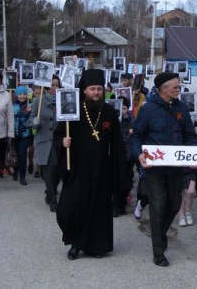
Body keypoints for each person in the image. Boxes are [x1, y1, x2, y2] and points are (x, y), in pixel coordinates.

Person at [54, 69, 131, 260]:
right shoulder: (74, 110)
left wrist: (120, 172)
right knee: (71, 207)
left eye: (99, 89)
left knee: (98, 208)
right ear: (84, 91)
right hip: (78, 168)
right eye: (92, 89)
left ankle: (96, 246)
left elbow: (117, 144)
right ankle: (75, 243)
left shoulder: (109, 112)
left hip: (101, 169)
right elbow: (58, 134)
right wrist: (63, 142)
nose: (96, 93)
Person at [130, 72, 197, 267]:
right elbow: (136, 137)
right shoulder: (147, 110)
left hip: (176, 168)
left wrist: (193, 155)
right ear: (164, 89)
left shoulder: (182, 108)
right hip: (154, 168)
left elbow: (189, 135)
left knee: (173, 205)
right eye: (176, 87)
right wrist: (139, 155)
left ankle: (159, 234)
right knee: (158, 205)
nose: (179, 90)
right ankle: (159, 251)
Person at [29, 76, 61, 211]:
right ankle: (53, 199)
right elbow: (30, 120)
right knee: (48, 171)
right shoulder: (38, 101)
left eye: (57, 85)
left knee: (57, 171)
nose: (55, 88)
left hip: (59, 141)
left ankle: (50, 191)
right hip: (44, 141)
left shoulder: (64, 100)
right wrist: (34, 123)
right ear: (47, 87)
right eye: (52, 85)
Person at [12, 86, 33, 185]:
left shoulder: (30, 105)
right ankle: (15, 170)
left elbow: (32, 120)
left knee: (22, 154)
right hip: (14, 134)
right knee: (15, 153)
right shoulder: (12, 106)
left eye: (24, 94)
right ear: (17, 95)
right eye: (20, 94)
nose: (22, 96)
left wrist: (29, 113)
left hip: (25, 134)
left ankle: (22, 176)